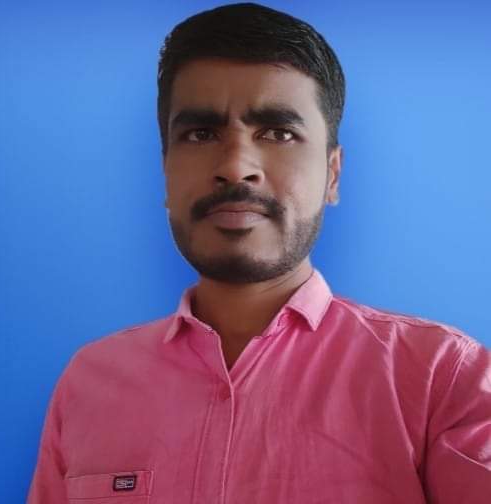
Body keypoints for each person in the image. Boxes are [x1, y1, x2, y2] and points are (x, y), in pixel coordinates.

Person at [27, 3, 491, 503]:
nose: (235, 166)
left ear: (332, 175)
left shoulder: (441, 379)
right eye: (201, 133)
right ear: (166, 171)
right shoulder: (88, 384)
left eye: (278, 133)